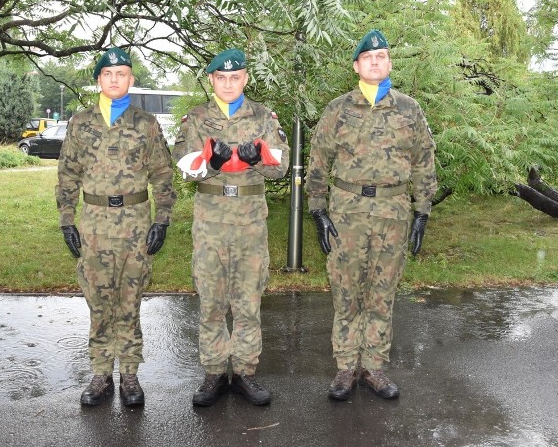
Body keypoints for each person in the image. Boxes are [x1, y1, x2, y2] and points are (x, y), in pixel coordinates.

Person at [306, 29, 437, 402]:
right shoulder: (338, 109)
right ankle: (346, 366)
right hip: (346, 211)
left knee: (382, 293)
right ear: (356, 67)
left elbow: (424, 162)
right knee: (346, 291)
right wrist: (318, 211)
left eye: (381, 57)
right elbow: (318, 161)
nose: (375, 62)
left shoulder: (410, 109)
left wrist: (422, 212)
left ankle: (374, 367)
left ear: (389, 63)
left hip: (392, 213)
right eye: (368, 58)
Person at [56, 46, 177, 408]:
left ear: (131, 79)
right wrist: (66, 220)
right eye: (107, 74)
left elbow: (162, 173)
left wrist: (162, 219)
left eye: (121, 73)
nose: (114, 79)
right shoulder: (80, 123)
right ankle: (100, 373)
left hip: (136, 223)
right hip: (93, 224)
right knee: (98, 299)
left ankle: (130, 375)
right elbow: (68, 174)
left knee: (130, 299)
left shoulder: (146, 124)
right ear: (98, 80)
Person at [172, 48, 289, 407]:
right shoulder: (196, 118)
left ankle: (244, 373)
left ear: (245, 78)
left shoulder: (264, 117)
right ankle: (212, 373)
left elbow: (280, 167)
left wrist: (261, 159)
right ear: (211, 80)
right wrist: (211, 162)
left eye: (235, 77)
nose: (228, 83)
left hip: (251, 220)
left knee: (248, 300)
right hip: (210, 220)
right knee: (210, 300)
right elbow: (185, 167)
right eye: (221, 78)